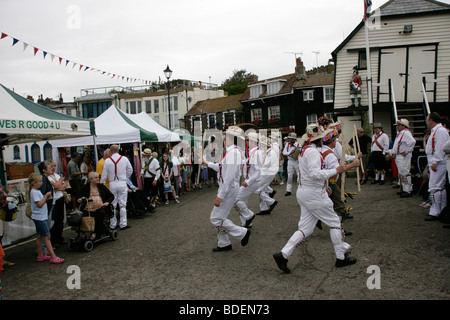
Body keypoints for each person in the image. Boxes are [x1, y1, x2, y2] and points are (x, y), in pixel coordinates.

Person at [273, 123, 360, 274]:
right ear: (319, 139)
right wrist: (336, 170)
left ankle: (283, 254)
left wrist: (324, 184)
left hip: (305, 191)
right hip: (313, 194)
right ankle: (341, 257)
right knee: (334, 222)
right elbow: (314, 173)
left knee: (305, 228)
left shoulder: (303, 150)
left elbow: (306, 173)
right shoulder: (312, 152)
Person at [203, 126, 251, 252]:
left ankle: (242, 233)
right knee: (220, 217)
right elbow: (220, 167)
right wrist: (207, 163)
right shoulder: (232, 152)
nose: (224, 138)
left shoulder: (233, 153)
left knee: (215, 218)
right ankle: (224, 243)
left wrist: (220, 196)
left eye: (226, 136)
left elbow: (228, 178)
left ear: (230, 138)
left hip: (228, 188)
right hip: (229, 187)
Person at [27, 173, 64, 264]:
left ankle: (41, 255)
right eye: (40, 181)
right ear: (34, 183)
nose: (41, 183)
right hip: (40, 217)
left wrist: (45, 198)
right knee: (47, 236)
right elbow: (39, 204)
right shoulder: (34, 192)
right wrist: (46, 197)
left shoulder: (35, 191)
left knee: (40, 235)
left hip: (39, 216)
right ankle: (53, 256)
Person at [100, 144, 133, 230]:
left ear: (110, 151)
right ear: (118, 150)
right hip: (122, 183)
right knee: (122, 204)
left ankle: (113, 224)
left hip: (112, 183)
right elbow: (130, 170)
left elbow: (104, 174)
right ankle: (123, 223)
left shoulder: (107, 161)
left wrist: (102, 184)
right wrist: (125, 177)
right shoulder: (124, 159)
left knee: (113, 204)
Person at [424, 112, 450, 221]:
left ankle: (435, 211)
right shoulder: (436, 131)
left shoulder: (441, 131)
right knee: (438, 186)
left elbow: (440, 148)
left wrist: (435, 161)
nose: (427, 122)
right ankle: (440, 209)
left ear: (432, 120)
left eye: (427, 120)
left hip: (439, 163)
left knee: (434, 187)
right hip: (434, 161)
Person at [234, 132, 263, 226]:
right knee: (243, 201)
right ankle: (246, 224)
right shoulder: (251, 151)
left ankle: (249, 216)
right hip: (249, 180)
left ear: (251, 141)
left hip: (253, 181)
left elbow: (259, 171)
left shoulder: (257, 152)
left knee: (236, 199)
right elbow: (246, 162)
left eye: (247, 140)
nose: (245, 142)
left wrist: (248, 182)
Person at [78, 172, 115, 239]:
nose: (98, 179)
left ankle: (96, 232)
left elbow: (111, 196)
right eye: (96, 178)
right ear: (90, 179)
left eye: (98, 177)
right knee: (82, 215)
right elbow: (79, 197)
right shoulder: (86, 187)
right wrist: (80, 199)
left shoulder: (101, 186)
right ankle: (83, 232)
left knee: (99, 214)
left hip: (100, 207)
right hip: (88, 208)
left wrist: (107, 202)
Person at [392, 119, 416, 198]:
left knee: (405, 172)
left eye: (398, 125)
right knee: (401, 173)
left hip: (403, 156)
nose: (397, 127)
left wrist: (407, 151)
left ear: (403, 126)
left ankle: (408, 190)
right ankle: (404, 188)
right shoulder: (400, 134)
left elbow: (412, 142)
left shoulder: (406, 133)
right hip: (399, 155)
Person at [255, 134, 279, 215]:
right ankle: (264, 209)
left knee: (258, 190)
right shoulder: (266, 152)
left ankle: (271, 202)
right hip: (266, 172)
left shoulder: (271, 152)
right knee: (263, 190)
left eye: (262, 144)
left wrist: (259, 167)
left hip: (268, 173)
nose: (261, 145)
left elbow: (267, 164)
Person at [47, 160, 67, 247]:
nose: (53, 168)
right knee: (55, 220)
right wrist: (59, 184)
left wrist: (58, 187)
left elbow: (64, 186)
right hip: (54, 200)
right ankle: (54, 239)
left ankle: (60, 238)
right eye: (51, 166)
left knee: (60, 219)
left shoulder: (57, 175)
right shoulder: (49, 177)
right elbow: (55, 186)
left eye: (54, 166)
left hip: (60, 197)